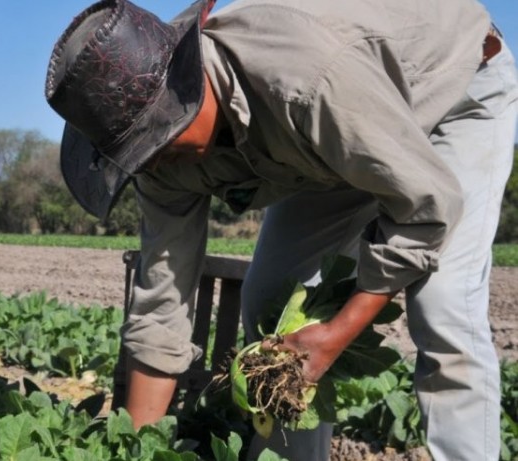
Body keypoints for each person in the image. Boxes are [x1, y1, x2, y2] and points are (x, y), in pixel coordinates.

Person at [45, 0, 517, 459]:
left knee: (442, 304)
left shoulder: (308, 79)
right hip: (332, 140)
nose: (156, 159)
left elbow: (424, 210)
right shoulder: (159, 161)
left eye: (157, 140)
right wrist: (137, 449)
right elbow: (161, 304)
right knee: (271, 299)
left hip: (454, 91)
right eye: (137, 152)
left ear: (189, 84)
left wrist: (337, 332)